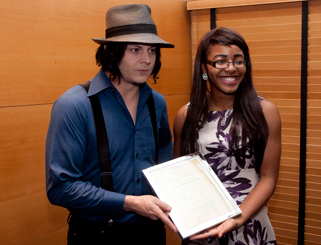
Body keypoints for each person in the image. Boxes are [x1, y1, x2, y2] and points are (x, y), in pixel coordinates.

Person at [45, 4, 177, 245]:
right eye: (135, 49)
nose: (146, 60)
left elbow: (165, 167)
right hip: (97, 234)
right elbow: (60, 188)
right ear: (109, 50)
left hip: (152, 232)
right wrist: (130, 203)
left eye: (152, 50)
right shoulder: (74, 105)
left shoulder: (156, 103)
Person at [173, 27, 281, 244]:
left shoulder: (265, 111)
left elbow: (268, 177)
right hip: (203, 225)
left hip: (249, 221)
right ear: (204, 68)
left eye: (238, 61)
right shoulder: (186, 115)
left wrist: (238, 217)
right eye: (220, 61)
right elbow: (179, 176)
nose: (231, 68)